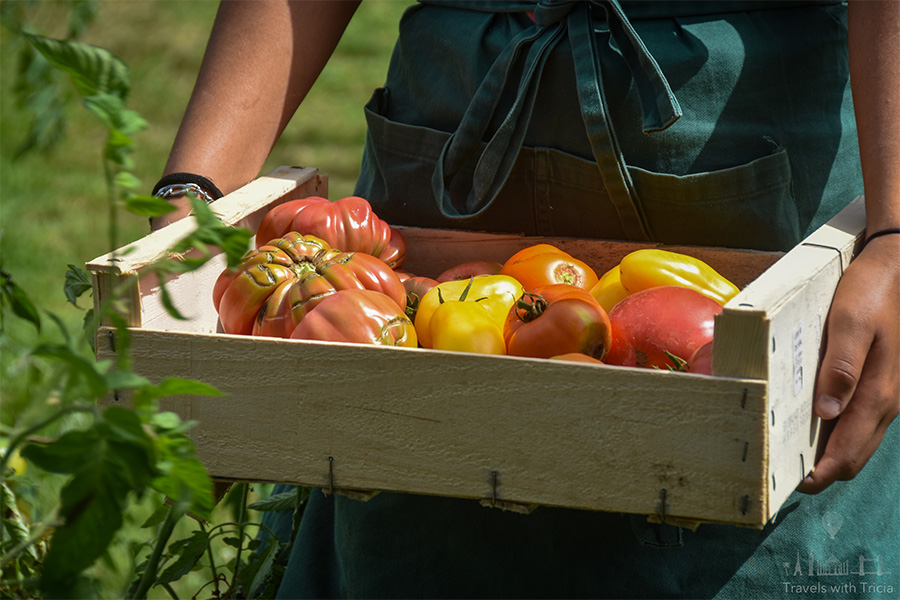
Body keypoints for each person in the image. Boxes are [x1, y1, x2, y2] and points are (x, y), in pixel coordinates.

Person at [152, 1, 899, 597]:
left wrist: (897, 231)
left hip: (743, 126)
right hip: (450, 121)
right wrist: (197, 190)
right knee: (418, 486)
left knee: (758, 504)